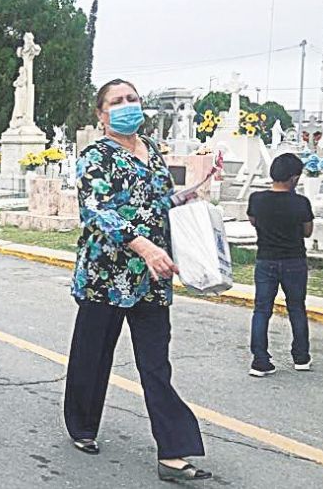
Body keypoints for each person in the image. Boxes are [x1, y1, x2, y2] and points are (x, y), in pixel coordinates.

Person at [65, 79, 211, 482]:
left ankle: (173, 453)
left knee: (156, 365)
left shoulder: (154, 151)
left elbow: (159, 202)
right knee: (92, 358)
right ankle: (81, 426)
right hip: (105, 276)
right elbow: (97, 211)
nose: (127, 105)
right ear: (101, 114)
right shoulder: (96, 156)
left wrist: (190, 195)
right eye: (117, 101)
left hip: (152, 278)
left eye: (132, 99)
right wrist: (143, 246)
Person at [246, 153, 314, 377]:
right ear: (294, 178)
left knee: (262, 310)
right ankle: (301, 356)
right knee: (296, 307)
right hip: (294, 259)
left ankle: (260, 360)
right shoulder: (301, 202)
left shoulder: (256, 199)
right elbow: (307, 231)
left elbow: (254, 222)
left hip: (266, 258)